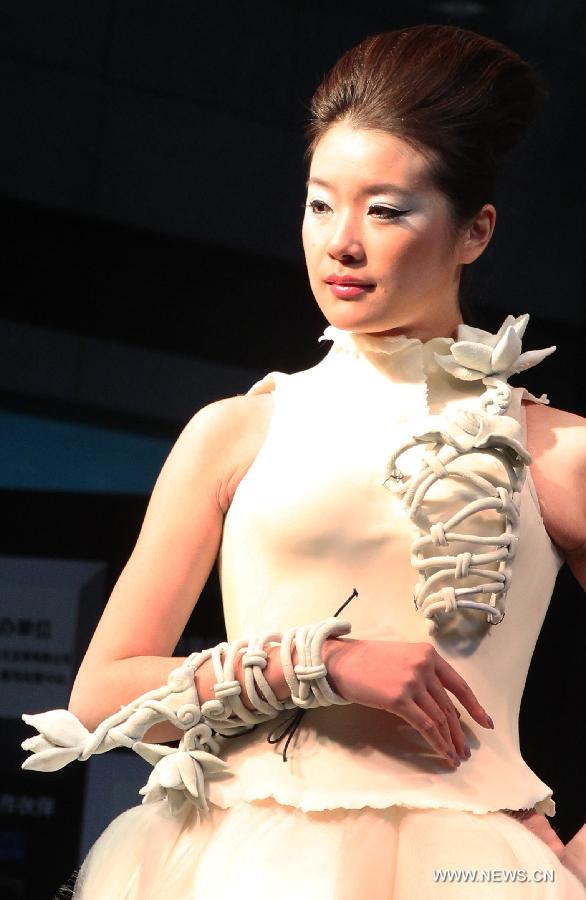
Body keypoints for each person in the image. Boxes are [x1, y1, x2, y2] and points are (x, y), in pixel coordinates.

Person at [21, 24, 585, 899]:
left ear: (475, 231)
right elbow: (103, 690)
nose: (341, 243)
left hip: (469, 870)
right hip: (227, 857)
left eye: (387, 209)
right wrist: (320, 664)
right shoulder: (235, 432)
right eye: (322, 203)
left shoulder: (554, 449)